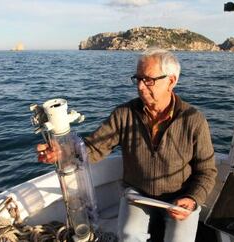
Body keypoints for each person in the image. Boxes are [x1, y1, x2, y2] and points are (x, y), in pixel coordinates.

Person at [37, 48, 217, 242]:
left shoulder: (194, 120)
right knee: (128, 235)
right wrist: (62, 152)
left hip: (180, 198)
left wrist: (192, 199)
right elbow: (94, 147)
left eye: (148, 79)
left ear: (171, 81)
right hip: (138, 193)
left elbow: (207, 171)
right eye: (138, 78)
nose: (140, 86)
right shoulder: (124, 114)